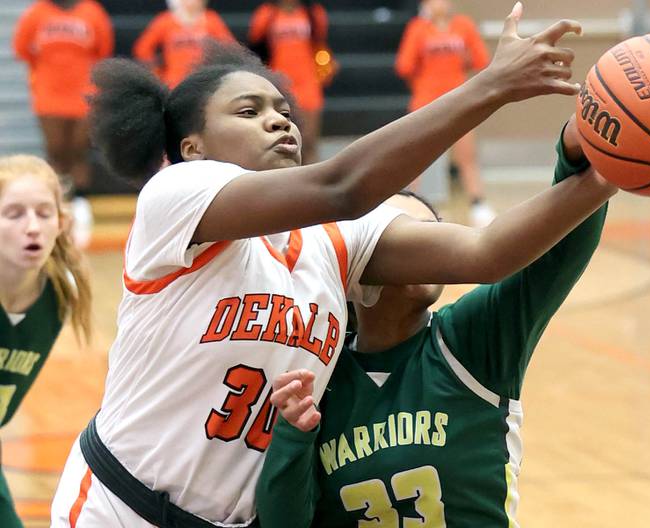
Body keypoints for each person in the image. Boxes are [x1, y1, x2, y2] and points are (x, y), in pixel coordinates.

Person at [50, 5, 587, 526]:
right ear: (192, 147)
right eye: (249, 111)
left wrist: (601, 172)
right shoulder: (174, 197)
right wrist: (491, 86)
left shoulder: (335, 242)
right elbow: (342, 186)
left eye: (284, 110)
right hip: (118, 506)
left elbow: (486, 253)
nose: (278, 121)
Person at [255, 115, 614, 526]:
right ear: (352, 269)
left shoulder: (468, 340)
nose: (425, 249)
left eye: (430, 234)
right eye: (402, 241)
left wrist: (575, 158)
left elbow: (554, 257)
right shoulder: (316, 375)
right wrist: (291, 436)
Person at [0, 155, 92, 528]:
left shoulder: (61, 293)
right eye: (14, 214)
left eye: (43, 213)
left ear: (62, 222)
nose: (32, 227)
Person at [12, 0, 114, 249]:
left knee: (79, 150)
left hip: (83, 93)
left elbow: (103, 50)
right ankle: (54, 205)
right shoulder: (37, 13)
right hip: (49, 95)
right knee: (56, 150)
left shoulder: (92, 12)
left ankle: (80, 206)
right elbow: (21, 49)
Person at [396, 0, 496, 227]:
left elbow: (481, 59)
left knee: (466, 156)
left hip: (459, 102)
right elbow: (404, 65)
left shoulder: (464, 25)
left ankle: (478, 204)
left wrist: (462, 60)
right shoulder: (417, 28)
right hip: (425, 103)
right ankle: (407, 203)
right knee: (417, 157)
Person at [248, 0, 333, 164]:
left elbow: (319, 44)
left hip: (308, 84)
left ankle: (314, 182)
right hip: (277, 85)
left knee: (309, 142)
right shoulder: (266, 14)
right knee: (280, 140)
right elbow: (257, 48)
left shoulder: (313, 13)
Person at [133, 0, 236, 88]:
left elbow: (229, 48)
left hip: (204, 82)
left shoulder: (211, 19)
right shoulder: (165, 20)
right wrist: (157, 73)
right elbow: (142, 49)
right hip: (173, 82)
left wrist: (218, 71)